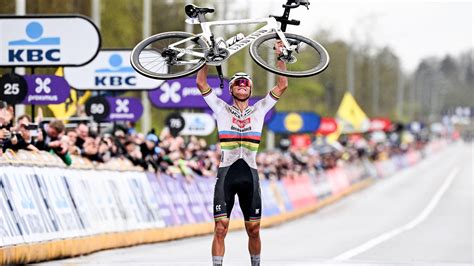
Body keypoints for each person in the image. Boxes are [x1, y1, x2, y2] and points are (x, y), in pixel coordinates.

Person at [196, 41, 288, 266]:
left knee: (254, 229)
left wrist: (281, 55)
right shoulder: (220, 108)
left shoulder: (260, 108)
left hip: (250, 175)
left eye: (246, 83)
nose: (242, 85)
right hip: (227, 173)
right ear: (232, 89)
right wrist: (207, 57)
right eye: (238, 83)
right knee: (220, 228)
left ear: (251, 89)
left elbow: (282, 84)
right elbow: (200, 82)